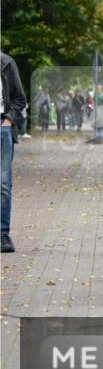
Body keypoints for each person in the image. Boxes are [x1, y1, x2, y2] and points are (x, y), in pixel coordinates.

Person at [1, 51, 27, 253]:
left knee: (3, 183)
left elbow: (19, 99)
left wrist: (7, 121)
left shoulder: (7, 62)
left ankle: (2, 235)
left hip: (2, 128)